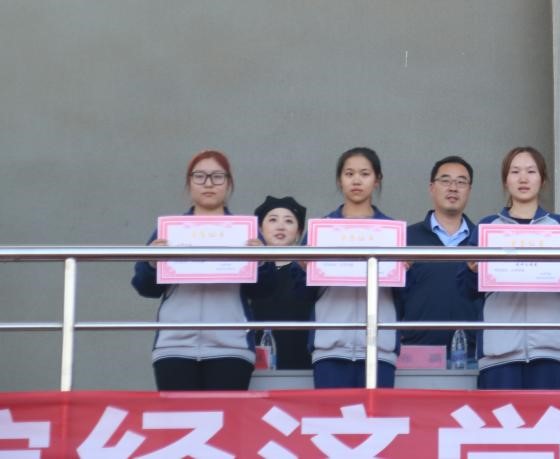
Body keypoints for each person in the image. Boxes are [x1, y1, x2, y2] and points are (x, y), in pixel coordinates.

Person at [131, 150, 275, 391]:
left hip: (231, 347)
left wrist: (261, 262)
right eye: (199, 176)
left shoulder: (247, 234)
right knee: (179, 416)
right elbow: (144, 287)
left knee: (226, 415)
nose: (208, 184)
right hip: (174, 346)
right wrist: (152, 263)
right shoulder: (169, 232)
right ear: (189, 183)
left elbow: (266, 290)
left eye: (217, 176)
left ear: (229, 183)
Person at [459, 146, 560, 389]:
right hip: (499, 352)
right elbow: (465, 291)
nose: (523, 178)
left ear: (542, 179)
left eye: (531, 171)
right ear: (505, 180)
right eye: (515, 171)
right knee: (501, 415)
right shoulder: (488, 228)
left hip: (549, 350)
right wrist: (472, 270)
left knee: (547, 415)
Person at [293, 146, 404, 389]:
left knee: (377, 415)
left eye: (365, 174)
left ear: (377, 180)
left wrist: (406, 271)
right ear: (339, 180)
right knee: (331, 414)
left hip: (380, 349)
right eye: (349, 173)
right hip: (330, 349)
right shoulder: (321, 230)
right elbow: (300, 294)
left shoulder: (393, 232)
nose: (356, 180)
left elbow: (406, 296)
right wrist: (302, 269)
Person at [401, 155, 481, 348]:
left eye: (461, 182)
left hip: (471, 351)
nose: (453, 188)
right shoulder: (406, 238)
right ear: (432, 188)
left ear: (469, 190)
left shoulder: (481, 240)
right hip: (417, 350)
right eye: (445, 181)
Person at [249, 195, 312, 370]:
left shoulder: (306, 271)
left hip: (301, 361)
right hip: (254, 362)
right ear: (260, 229)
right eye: (273, 220)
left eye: (289, 221)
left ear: (299, 232)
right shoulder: (248, 270)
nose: (280, 226)